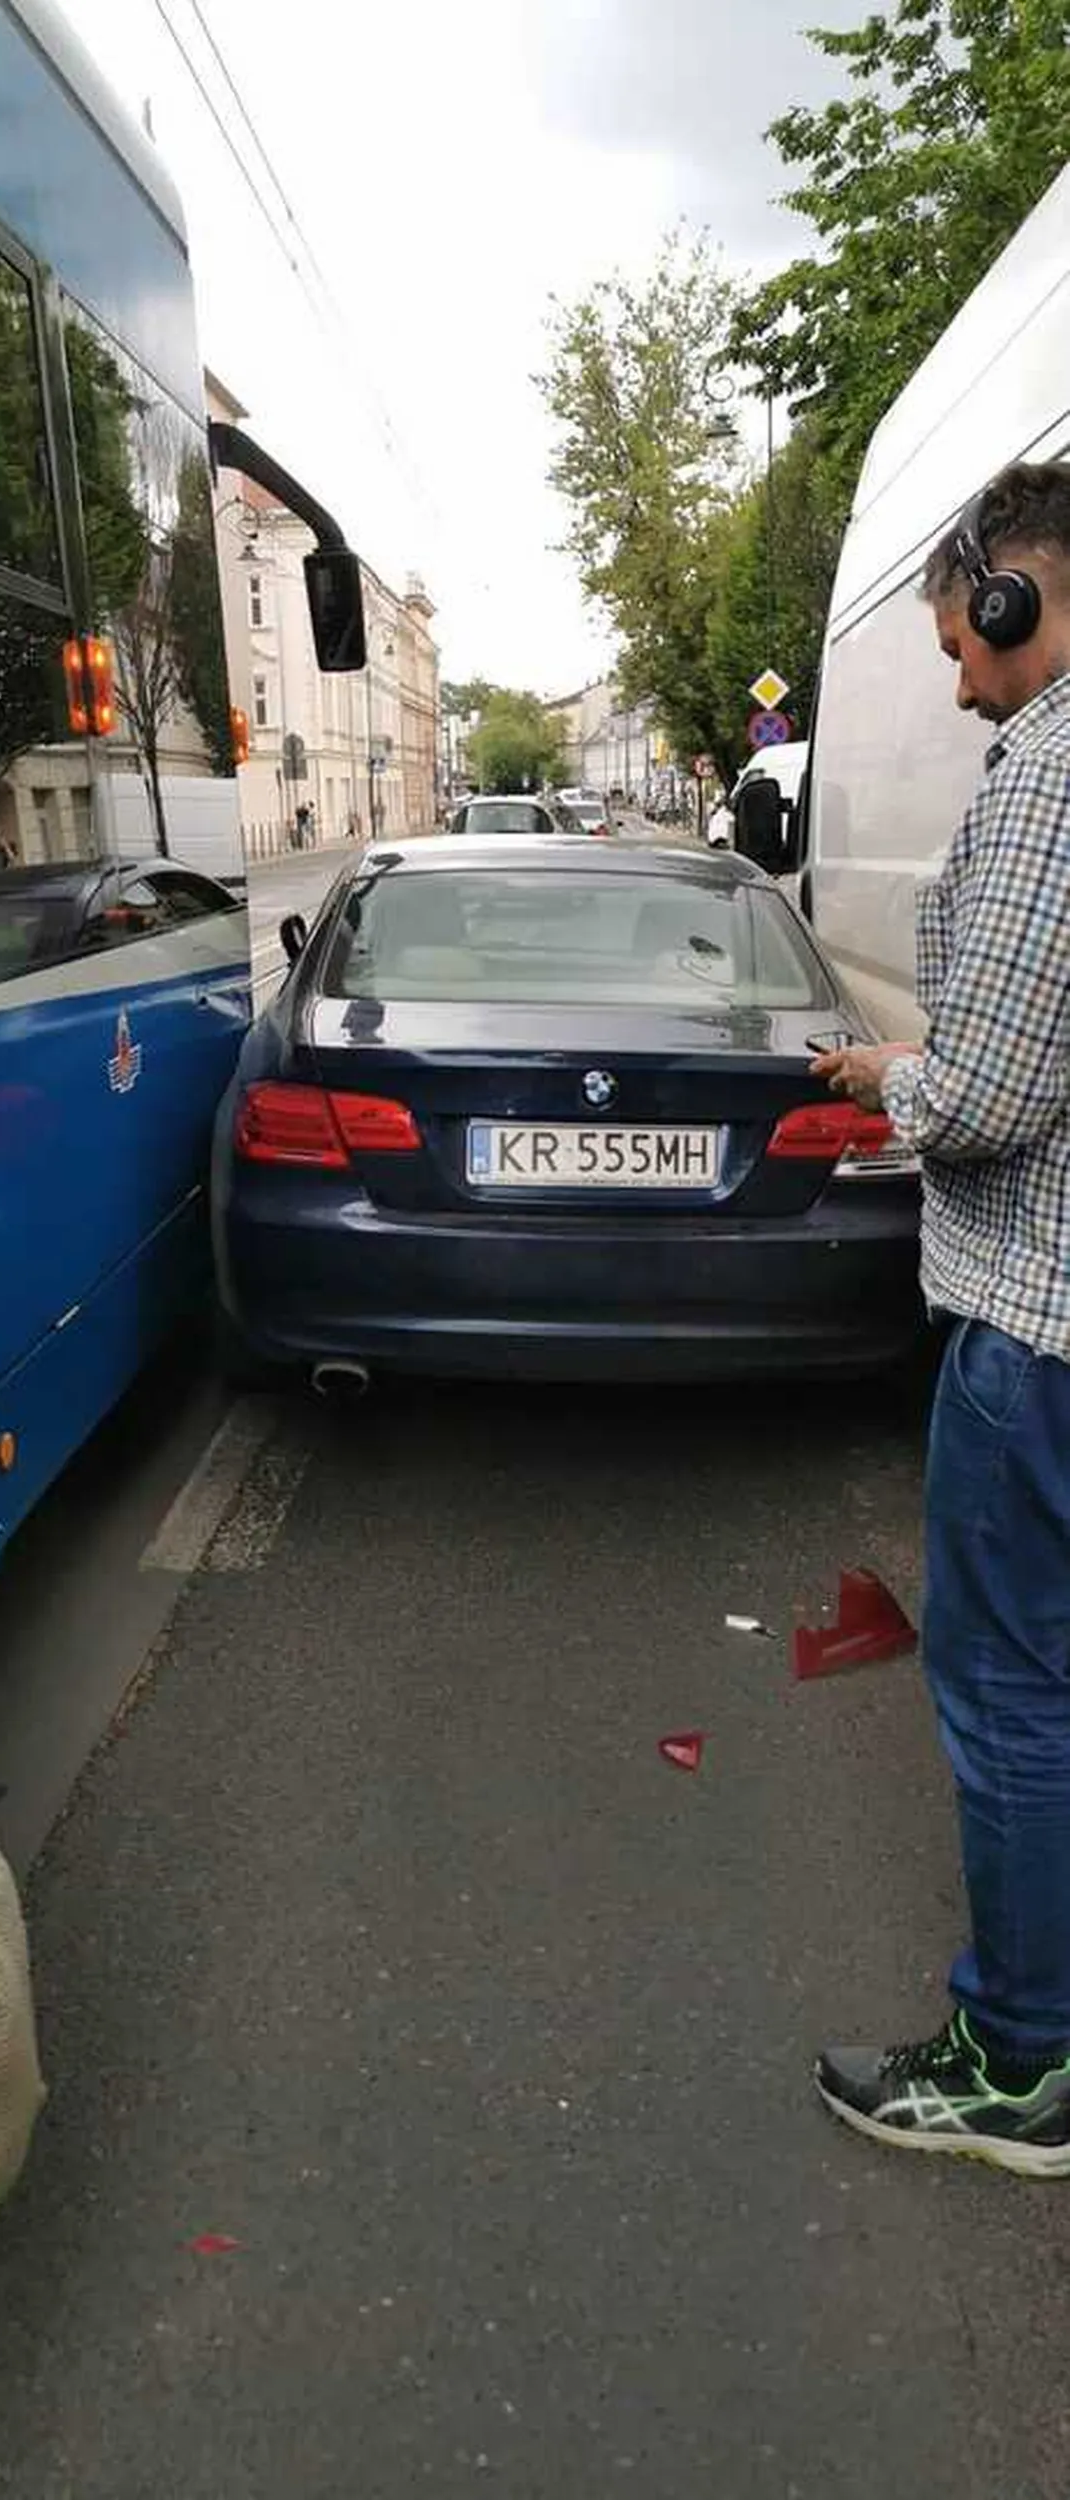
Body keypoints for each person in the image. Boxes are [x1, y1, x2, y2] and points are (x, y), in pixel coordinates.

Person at [810, 462, 1070, 2175]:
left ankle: (1017, 2064)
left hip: (1037, 1325)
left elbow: (987, 1095)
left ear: (1012, 591)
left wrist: (887, 1075)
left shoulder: (1049, 775)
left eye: (960, 645)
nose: (961, 685)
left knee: (1010, 1693)